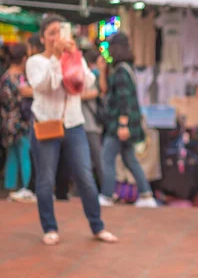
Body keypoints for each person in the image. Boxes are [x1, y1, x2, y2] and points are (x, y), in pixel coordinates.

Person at [26, 14, 117, 246]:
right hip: (47, 124)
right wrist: (56, 59)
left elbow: (86, 82)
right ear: (44, 38)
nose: (57, 37)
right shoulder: (35, 62)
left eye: (60, 31)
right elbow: (45, 86)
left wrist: (74, 57)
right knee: (46, 178)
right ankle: (49, 227)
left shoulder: (74, 56)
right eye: (52, 33)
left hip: (74, 124)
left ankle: (97, 226)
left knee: (85, 176)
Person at [98, 33, 157, 208]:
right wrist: (103, 71)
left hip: (119, 124)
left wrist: (123, 124)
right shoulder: (122, 69)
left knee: (107, 157)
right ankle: (146, 195)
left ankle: (106, 196)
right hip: (123, 123)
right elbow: (105, 90)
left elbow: (124, 100)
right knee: (129, 158)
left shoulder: (122, 70)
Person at [0, 43, 35, 202]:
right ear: (23, 59)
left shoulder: (5, 77)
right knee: (25, 153)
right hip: (20, 123)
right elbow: (27, 94)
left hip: (7, 122)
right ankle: (27, 188)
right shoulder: (18, 78)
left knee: (13, 156)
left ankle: (10, 188)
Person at [82, 48, 104, 189]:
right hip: (87, 124)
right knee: (90, 159)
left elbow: (102, 90)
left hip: (92, 124)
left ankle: (103, 188)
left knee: (93, 158)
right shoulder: (88, 75)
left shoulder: (97, 75)